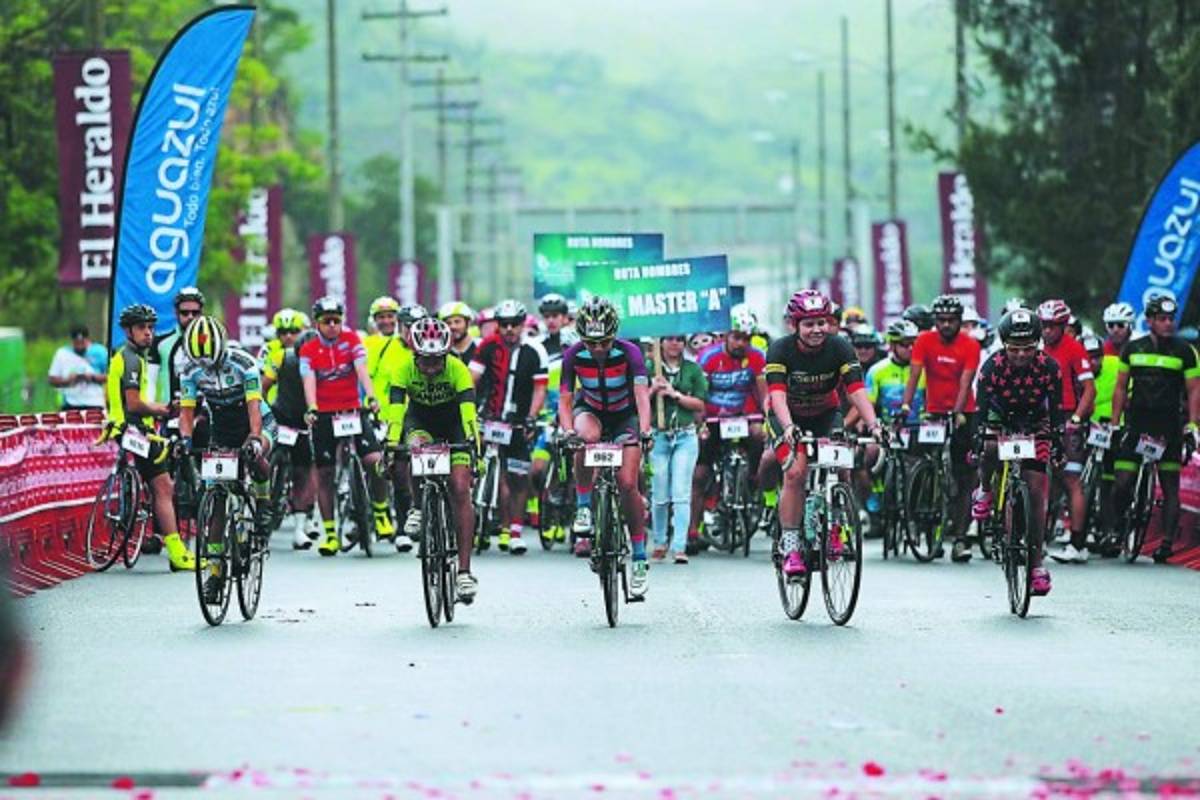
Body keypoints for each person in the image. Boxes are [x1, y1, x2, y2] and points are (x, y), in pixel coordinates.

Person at [764, 289, 882, 579]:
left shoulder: (840, 347)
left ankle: (836, 529)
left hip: (826, 414)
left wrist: (875, 425)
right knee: (796, 473)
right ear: (795, 325)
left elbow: (855, 390)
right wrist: (789, 427)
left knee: (842, 467)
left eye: (822, 323)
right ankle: (790, 548)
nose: (817, 330)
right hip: (786, 416)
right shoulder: (780, 350)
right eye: (809, 324)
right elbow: (777, 395)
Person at [177, 316, 275, 603]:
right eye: (200, 361)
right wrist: (184, 441)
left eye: (211, 360)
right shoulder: (190, 370)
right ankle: (216, 571)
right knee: (217, 495)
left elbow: (254, 407)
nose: (206, 367)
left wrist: (255, 438)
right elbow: (186, 413)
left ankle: (264, 501)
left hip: (255, 421)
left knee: (256, 455)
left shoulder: (244, 364)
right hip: (221, 430)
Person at [559, 297, 653, 597]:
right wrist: (566, 430)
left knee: (627, 484)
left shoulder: (631, 353)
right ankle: (585, 507)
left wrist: (647, 429)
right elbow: (565, 398)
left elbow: (641, 395)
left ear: (614, 336)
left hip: (625, 416)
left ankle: (639, 556)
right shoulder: (573, 355)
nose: (598, 349)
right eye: (591, 343)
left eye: (604, 342)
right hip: (592, 410)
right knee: (583, 439)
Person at [389, 317, 480, 601]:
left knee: (460, 488)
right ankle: (417, 507)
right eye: (424, 361)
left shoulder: (458, 370)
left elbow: (468, 415)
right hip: (420, 422)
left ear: (446, 354)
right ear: (414, 354)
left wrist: (473, 444)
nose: (430, 368)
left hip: (453, 424)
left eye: (436, 361)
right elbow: (395, 413)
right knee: (415, 447)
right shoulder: (402, 369)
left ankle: (464, 573)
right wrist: (392, 443)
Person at [972, 308, 1061, 597]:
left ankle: (1036, 565)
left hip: (1036, 421)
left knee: (1036, 494)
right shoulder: (991, 367)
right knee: (988, 447)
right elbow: (981, 412)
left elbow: (1057, 408)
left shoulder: (1050, 367)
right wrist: (980, 438)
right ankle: (985, 490)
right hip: (1000, 416)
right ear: (1003, 346)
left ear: (1037, 346)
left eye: (1027, 349)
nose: (1021, 355)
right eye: (1014, 349)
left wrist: (1056, 439)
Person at [105, 304, 196, 571]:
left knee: (159, 485)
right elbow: (133, 404)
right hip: (134, 430)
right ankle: (177, 552)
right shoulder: (131, 358)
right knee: (164, 487)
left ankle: (154, 527)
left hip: (134, 428)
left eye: (151, 328)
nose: (148, 333)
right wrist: (163, 409)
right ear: (128, 331)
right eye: (141, 328)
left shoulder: (131, 356)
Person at [1110, 294, 1200, 563]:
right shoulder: (1133, 348)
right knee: (1122, 481)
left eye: (1171, 319)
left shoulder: (1185, 351)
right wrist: (1115, 422)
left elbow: (1194, 390)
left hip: (1169, 426)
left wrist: (1193, 424)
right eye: (1162, 319)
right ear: (1149, 321)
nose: (1168, 324)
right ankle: (1119, 528)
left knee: (1170, 485)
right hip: (1137, 423)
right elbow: (1120, 388)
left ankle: (1167, 542)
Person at [299, 296, 392, 556]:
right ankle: (329, 532)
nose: (332, 326)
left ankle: (381, 510)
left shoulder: (352, 341)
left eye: (336, 321)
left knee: (375, 460)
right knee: (326, 473)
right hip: (325, 415)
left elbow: (362, 370)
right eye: (326, 321)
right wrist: (312, 407)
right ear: (317, 323)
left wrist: (371, 397)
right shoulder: (308, 349)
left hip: (353, 410)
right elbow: (309, 380)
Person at [901, 294, 982, 562]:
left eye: (951, 320)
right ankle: (924, 506)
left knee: (963, 475)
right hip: (933, 410)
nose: (946, 325)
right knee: (924, 461)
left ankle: (960, 538)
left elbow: (966, 381)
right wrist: (905, 405)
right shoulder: (924, 341)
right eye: (941, 320)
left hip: (963, 412)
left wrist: (958, 412)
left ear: (960, 321)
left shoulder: (970, 345)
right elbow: (914, 375)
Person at [469, 299, 549, 554]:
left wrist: (531, 417)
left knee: (517, 475)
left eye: (515, 324)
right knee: (474, 466)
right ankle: (476, 519)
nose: (509, 329)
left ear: (523, 324)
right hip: (488, 414)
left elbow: (540, 389)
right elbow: (472, 379)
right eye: (504, 324)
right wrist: (467, 408)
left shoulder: (535, 350)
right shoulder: (487, 346)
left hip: (518, 420)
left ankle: (515, 530)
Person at [690, 306, 768, 553]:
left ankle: (753, 477)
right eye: (736, 337)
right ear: (725, 335)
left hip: (745, 415)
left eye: (746, 338)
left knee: (759, 433)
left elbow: (762, 390)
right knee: (700, 475)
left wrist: (767, 415)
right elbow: (698, 394)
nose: (741, 343)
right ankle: (693, 529)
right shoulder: (708, 357)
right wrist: (700, 423)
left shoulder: (756, 356)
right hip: (714, 417)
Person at [1036, 300, 1096, 564]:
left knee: (1071, 480)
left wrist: (1076, 418)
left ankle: (1077, 542)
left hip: (1066, 416)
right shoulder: (1036, 348)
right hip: (1039, 418)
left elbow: (1090, 390)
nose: (1047, 331)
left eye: (1052, 326)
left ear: (1063, 326)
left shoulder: (1074, 349)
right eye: (1043, 326)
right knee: (1036, 475)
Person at [648, 334, 708, 563]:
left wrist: (675, 395)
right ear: (660, 342)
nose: (675, 344)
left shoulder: (692, 369)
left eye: (679, 340)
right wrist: (653, 389)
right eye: (670, 339)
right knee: (660, 494)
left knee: (681, 493)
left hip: (685, 435)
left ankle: (680, 545)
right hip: (658, 436)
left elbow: (700, 403)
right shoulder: (649, 367)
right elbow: (638, 399)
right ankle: (660, 541)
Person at [262, 318, 320, 550]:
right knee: (264, 460)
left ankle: (299, 526)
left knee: (302, 471)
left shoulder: (325, 367)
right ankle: (262, 504)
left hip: (306, 422)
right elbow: (263, 388)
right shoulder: (282, 358)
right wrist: (263, 414)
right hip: (281, 417)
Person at [152, 286, 206, 406]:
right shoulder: (161, 342)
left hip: (202, 416)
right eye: (184, 313)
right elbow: (151, 381)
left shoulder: (211, 343)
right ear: (176, 313)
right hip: (168, 414)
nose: (190, 317)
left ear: (201, 313)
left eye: (195, 313)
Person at [48, 324, 108, 410]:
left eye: (82, 343)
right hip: (70, 404)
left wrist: (92, 377)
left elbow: (111, 376)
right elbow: (52, 379)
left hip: (95, 403)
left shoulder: (100, 352)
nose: (80, 346)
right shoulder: (62, 353)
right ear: (72, 341)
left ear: (87, 339)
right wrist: (68, 380)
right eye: (77, 343)